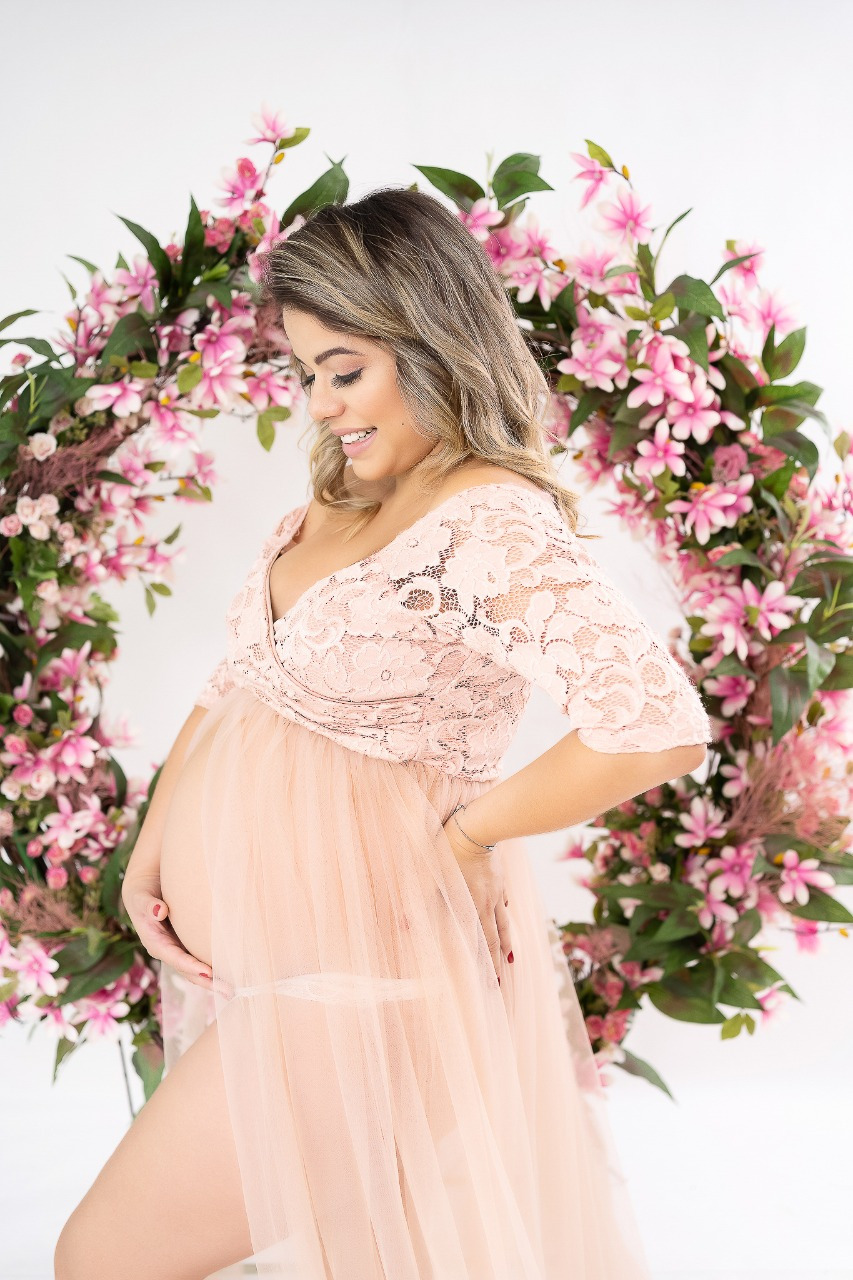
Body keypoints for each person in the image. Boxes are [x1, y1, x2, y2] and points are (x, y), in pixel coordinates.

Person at [55, 187, 712, 1280]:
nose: (320, 406)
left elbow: (653, 727)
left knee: (102, 1257)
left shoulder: (488, 521)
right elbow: (241, 676)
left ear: (430, 339)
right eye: (306, 373)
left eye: (344, 370)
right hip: (288, 971)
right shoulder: (350, 494)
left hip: (365, 973)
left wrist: (467, 838)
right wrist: (150, 849)